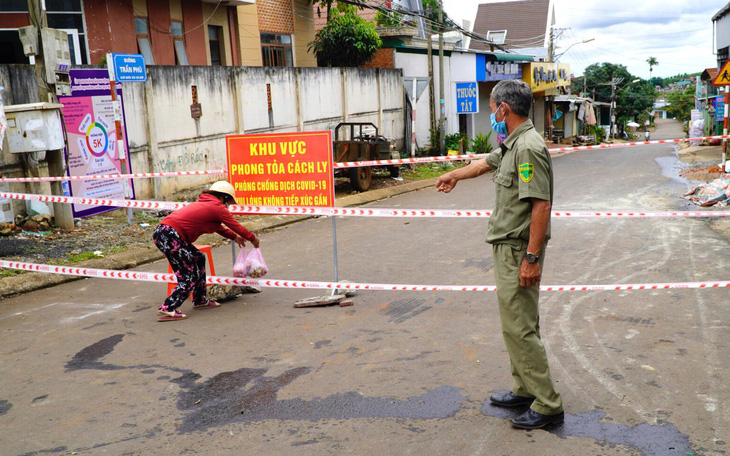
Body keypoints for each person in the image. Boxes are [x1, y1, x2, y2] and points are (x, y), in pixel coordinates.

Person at [436, 79, 563, 430]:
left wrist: (532, 259)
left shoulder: (528, 148)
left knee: (520, 327)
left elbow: (541, 204)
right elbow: (486, 163)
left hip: (518, 250)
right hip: (507, 248)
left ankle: (548, 403)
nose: (491, 114)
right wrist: (455, 175)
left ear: (503, 109)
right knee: (516, 324)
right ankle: (525, 388)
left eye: (492, 109)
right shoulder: (514, 143)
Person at [152, 180, 260, 322]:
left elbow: (218, 227)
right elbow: (235, 225)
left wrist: (234, 238)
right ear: (224, 197)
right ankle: (168, 307)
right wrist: (252, 239)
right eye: (228, 201)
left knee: (198, 258)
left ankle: (200, 299)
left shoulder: (207, 204)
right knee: (190, 274)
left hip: (166, 234)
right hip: (170, 235)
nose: (228, 205)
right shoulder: (216, 207)